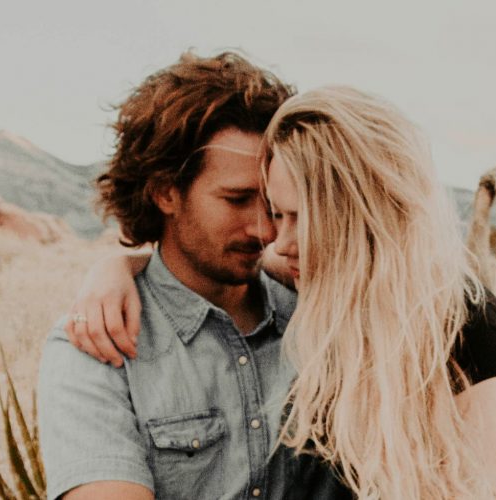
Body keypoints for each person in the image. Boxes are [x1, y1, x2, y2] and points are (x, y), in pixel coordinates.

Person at [64, 86, 496, 499]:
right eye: (278, 214)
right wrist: (119, 267)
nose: (276, 239)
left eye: (300, 217)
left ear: (358, 215)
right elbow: (196, 263)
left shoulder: (460, 318)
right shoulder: (320, 280)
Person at [36, 50, 297, 500]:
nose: (265, 230)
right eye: (236, 200)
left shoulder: (319, 310)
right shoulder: (98, 346)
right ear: (165, 192)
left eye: (272, 204)